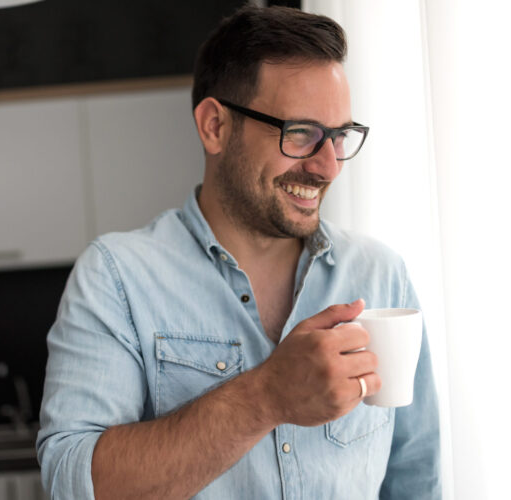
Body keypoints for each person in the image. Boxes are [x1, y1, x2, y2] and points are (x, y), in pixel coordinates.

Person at [36, 5, 441, 499]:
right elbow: (74, 484)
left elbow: (415, 479)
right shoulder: (117, 278)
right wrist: (267, 395)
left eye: (338, 136)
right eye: (300, 134)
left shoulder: (381, 275)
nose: (329, 166)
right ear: (215, 127)